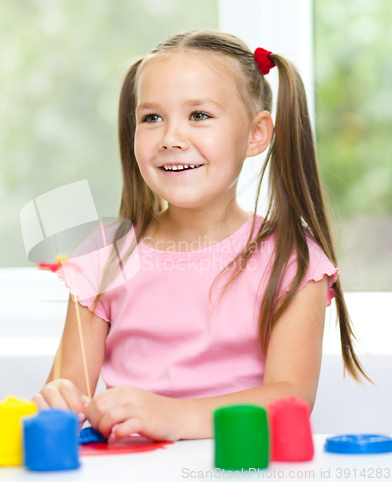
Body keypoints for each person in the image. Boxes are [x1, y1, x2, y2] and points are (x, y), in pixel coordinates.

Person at [32, 29, 371, 442]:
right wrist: (58, 403)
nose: (171, 139)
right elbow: (67, 392)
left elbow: (291, 400)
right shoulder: (102, 257)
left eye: (199, 115)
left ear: (256, 134)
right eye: (151, 118)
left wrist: (172, 417)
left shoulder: (293, 259)